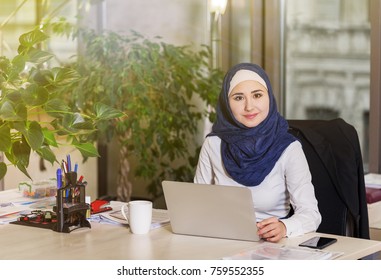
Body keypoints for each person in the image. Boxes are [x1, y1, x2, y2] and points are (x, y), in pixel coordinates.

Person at [194, 62, 321, 242]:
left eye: (257, 95)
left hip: (272, 246)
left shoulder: (289, 148)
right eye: (238, 98)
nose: (249, 106)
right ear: (226, 103)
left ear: (269, 97)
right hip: (222, 241)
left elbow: (311, 214)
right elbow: (198, 204)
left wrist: (285, 227)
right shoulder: (213, 144)